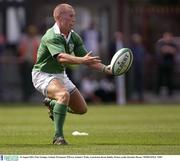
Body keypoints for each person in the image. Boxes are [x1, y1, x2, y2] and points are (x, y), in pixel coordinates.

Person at [31, 3, 112, 145]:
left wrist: (107, 69)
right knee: (63, 95)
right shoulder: (51, 36)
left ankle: (54, 104)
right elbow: (61, 57)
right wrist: (82, 60)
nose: (74, 19)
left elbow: (88, 60)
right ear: (59, 18)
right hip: (43, 75)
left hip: (60, 75)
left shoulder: (74, 36)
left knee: (81, 109)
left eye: (74, 16)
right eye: (71, 16)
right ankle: (58, 137)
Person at [18, 25, 40, 101]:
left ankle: (30, 94)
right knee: (25, 79)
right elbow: (20, 50)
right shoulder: (24, 39)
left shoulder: (37, 40)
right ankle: (26, 95)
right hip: (24, 62)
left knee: (31, 80)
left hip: (33, 63)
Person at [155, 32, 178, 96]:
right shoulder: (160, 43)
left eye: (169, 37)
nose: (167, 38)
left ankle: (170, 93)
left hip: (170, 65)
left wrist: (167, 49)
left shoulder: (173, 44)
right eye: (166, 37)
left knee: (170, 79)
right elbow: (161, 50)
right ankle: (157, 93)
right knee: (160, 79)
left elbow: (174, 51)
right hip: (162, 64)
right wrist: (168, 50)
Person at [130, 33, 145, 102]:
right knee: (132, 82)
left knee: (140, 82)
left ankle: (140, 97)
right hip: (133, 67)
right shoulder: (131, 48)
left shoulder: (141, 47)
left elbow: (143, 57)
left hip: (140, 67)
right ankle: (132, 97)